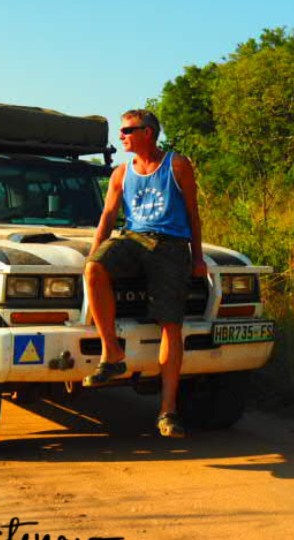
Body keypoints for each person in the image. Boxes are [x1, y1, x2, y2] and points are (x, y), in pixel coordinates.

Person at [82, 109, 206, 439]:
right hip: (134, 239)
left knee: (170, 324)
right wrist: (94, 253)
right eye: (121, 131)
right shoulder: (121, 173)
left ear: (147, 132)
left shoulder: (177, 165)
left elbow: (193, 212)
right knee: (94, 268)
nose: (121, 136)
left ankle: (168, 411)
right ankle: (112, 353)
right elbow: (108, 217)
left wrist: (198, 257)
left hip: (171, 245)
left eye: (127, 130)